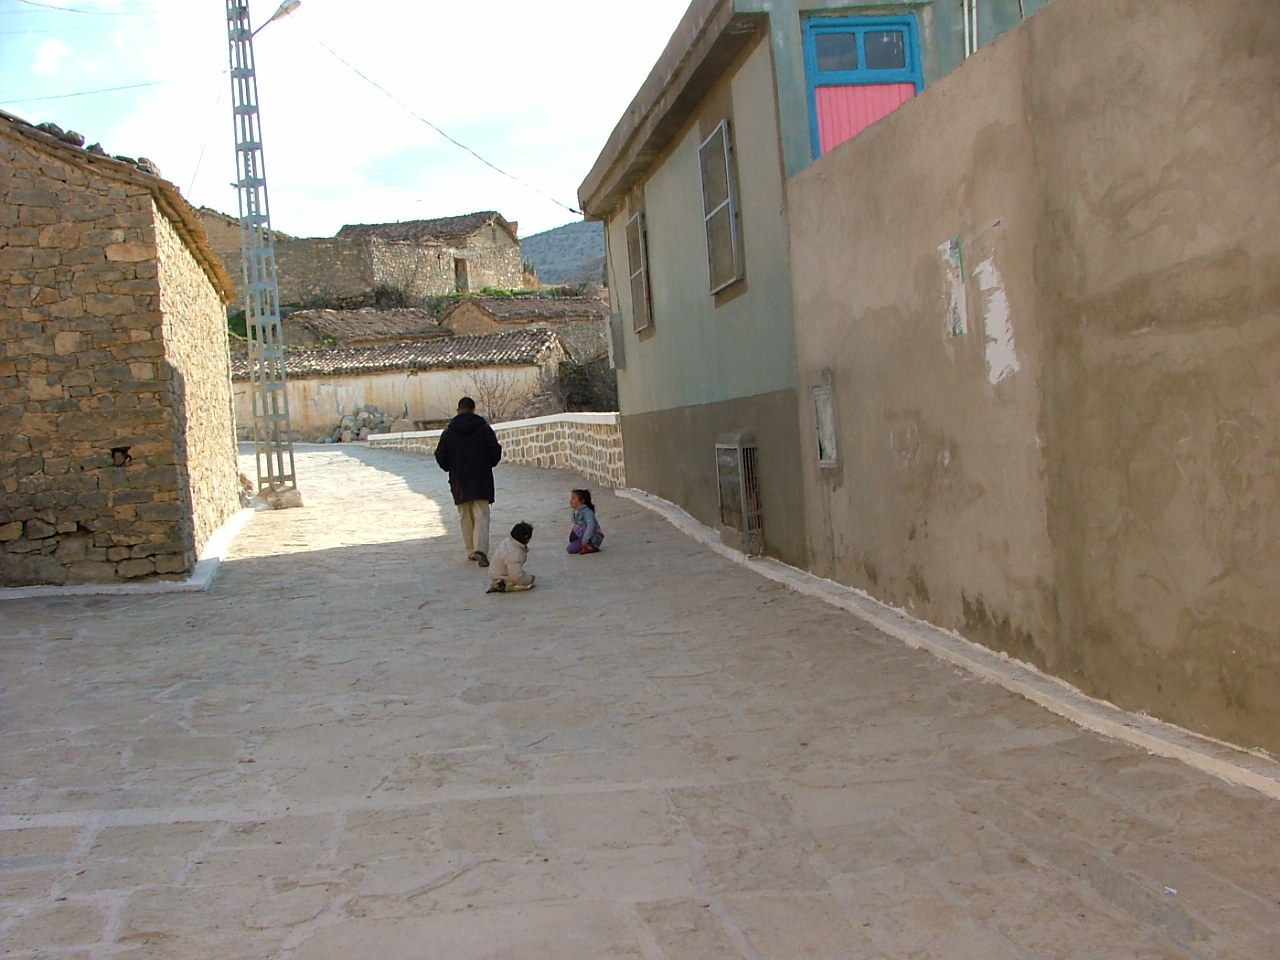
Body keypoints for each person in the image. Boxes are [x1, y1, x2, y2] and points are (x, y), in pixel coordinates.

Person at [434, 396, 502, 566]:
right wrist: (487, 463)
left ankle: (471, 551)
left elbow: (441, 456)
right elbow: (495, 451)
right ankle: (480, 549)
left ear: (458, 410)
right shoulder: (484, 428)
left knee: (465, 516)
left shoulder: (449, 432)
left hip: (459, 480)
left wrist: (451, 468)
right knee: (481, 515)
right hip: (481, 477)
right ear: (473, 410)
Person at [487, 521, 536, 593]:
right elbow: (516, 576)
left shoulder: (508, 542)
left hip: (496, 572)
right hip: (500, 577)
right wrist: (529, 578)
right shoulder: (514, 553)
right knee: (528, 585)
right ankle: (502, 586)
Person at [566, 488, 604, 555]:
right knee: (571, 547)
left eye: (573, 498)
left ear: (582, 501)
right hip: (584, 536)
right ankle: (583, 545)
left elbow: (591, 525)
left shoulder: (587, 512)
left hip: (593, 537)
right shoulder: (575, 512)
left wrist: (585, 539)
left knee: (570, 549)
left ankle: (590, 546)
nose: (570, 501)